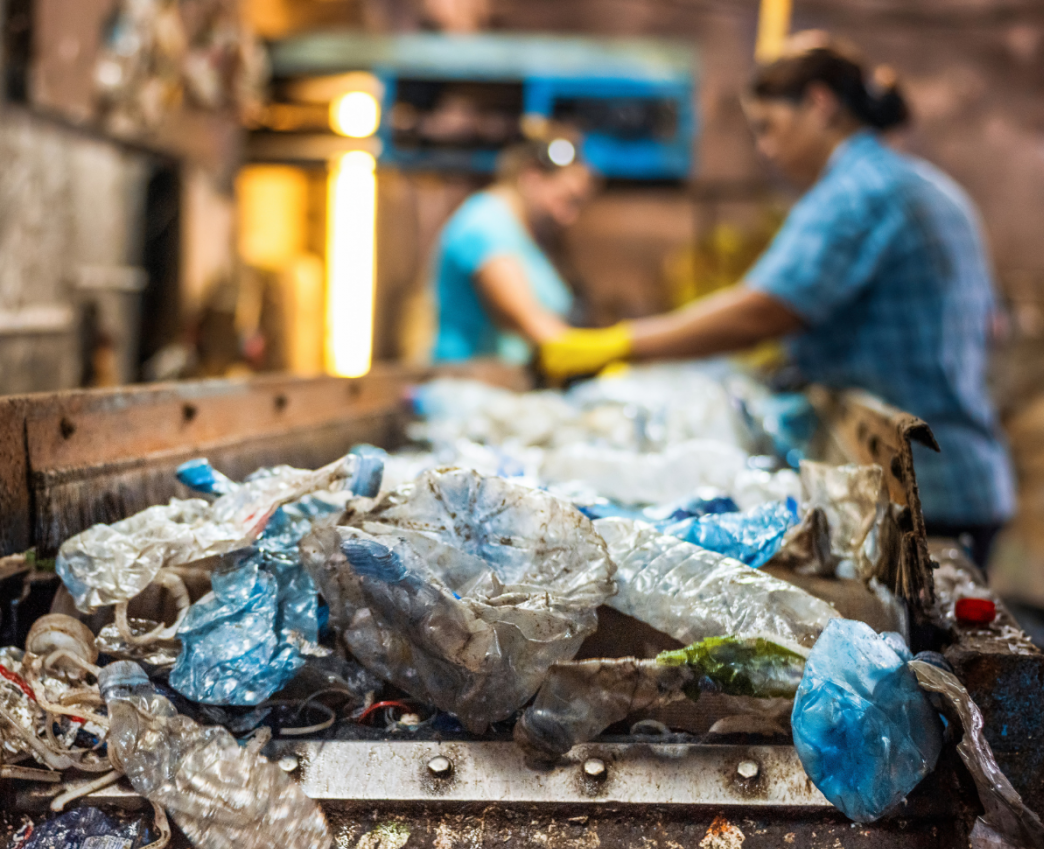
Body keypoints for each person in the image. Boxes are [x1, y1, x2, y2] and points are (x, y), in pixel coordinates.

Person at [539, 41, 1014, 566]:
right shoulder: (923, 184)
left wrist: (619, 344)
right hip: (957, 471)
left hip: (926, 493)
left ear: (819, 103)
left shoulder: (859, 190)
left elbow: (764, 309)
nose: (764, 148)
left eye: (767, 126)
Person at [430, 130, 597, 365]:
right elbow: (529, 323)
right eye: (566, 199)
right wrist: (613, 349)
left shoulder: (527, 235)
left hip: (504, 384)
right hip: (466, 385)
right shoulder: (486, 226)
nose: (569, 217)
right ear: (532, 177)